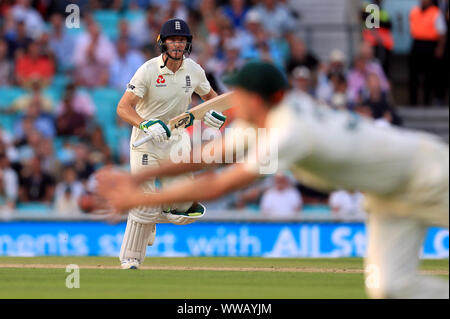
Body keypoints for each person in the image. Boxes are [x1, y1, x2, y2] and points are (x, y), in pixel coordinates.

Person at [97, 61, 449, 299]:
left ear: (267, 98)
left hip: (425, 172)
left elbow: (219, 185)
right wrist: (140, 177)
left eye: (244, 95)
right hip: (388, 196)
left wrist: (138, 199)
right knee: (390, 285)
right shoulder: (261, 121)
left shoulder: (291, 131)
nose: (235, 102)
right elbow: (203, 158)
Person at [113, 18, 227, 270]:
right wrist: (145, 124)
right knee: (144, 202)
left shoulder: (194, 70)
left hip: (177, 142)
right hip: (146, 142)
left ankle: (150, 216)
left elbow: (213, 100)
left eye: (182, 40)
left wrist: (215, 116)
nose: (177, 45)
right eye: (173, 40)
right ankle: (130, 258)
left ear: (187, 44)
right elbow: (122, 108)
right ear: (162, 43)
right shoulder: (148, 70)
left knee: (185, 206)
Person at [409, 0, 447, 105]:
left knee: (429, 75)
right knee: (413, 75)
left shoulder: (435, 12)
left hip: (429, 45)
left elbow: (442, 32)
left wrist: (440, 48)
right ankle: (413, 101)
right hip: (417, 43)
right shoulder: (414, 11)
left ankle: (427, 101)